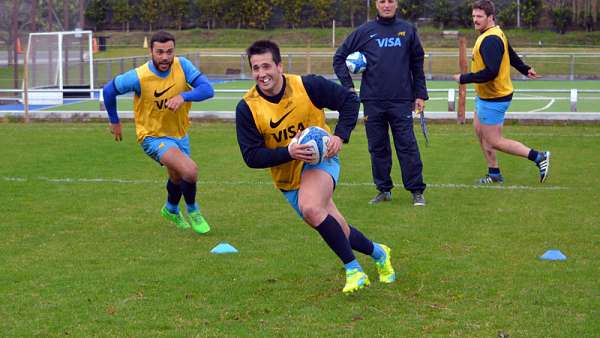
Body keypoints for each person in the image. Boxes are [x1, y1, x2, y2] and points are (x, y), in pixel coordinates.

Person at [236, 40, 396, 294]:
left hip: (322, 161)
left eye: (266, 66)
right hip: (288, 180)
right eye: (256, 68)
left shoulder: (306, 86)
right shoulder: (247, 108)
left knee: (311, 207)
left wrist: (339, 137)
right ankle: (380, 253)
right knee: (337, 227)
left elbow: (349, 102)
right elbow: (251, 156)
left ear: (279, 66)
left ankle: (354, 271)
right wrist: (288, 152)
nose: (261, 74)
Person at [102, 30, 214, 233]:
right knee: (190, 170)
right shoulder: (139, 76)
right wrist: (114, 121)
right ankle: (193, 211)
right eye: (160, 52)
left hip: (180, 134)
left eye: (169, 52)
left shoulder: (183, 65)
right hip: (152, 136)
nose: (165, 57)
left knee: (177, 176)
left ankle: (171, 209)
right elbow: (109, 90)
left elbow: (207, 89)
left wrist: (183, 97)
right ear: (151, 51)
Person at [333, 0, 429, 207]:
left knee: (407, 145)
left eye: (391, 1)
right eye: (382, 1)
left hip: (401, 99)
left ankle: (416, 191)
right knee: (377, 147)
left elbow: (417, 64)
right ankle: (383, 189)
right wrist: (349, 87)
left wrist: (420, 94)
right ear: (376, 4)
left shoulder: (407, 30)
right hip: (372, 101)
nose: (387, 5)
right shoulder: (364, 31)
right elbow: (339, 57)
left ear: (396, 4)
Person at [452, 0, 550, 184]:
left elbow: (491, 72)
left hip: (495, 97)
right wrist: (525, 68)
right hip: (485, 95)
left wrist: (463, 78)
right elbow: (510, 53)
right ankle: (494, 173)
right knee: (480, 132)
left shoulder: (491, 39)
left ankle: (539, 157)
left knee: (495, 141)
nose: (475, 20)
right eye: (473, 16)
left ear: (490, 17)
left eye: (479, 16)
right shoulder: (495, 33)